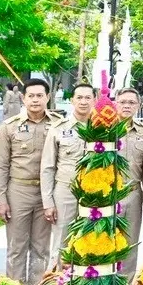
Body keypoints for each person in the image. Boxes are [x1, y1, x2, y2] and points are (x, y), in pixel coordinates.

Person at [0, 78, 61, 285]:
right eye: (30, 95)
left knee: (42, 246)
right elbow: (0, 166)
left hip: (46, 192)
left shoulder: (57, 125)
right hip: (18, 190)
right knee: (16, 246)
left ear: (47, 97)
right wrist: (1, 200)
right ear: (23, 98)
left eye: (39, 95)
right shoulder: (10, 126)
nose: (35, 100)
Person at [41, 82, 95, 265]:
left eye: (88, 97)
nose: (83, 102)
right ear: (72, 100)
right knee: (61, 243)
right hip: (66, 191)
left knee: (92, 241)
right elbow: (48, 167)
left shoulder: (103, 128)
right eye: (79, 97)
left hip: (95, 194)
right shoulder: (58, 128)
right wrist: (48, 202)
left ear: (94, 100)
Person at [114, 88, 143, 274]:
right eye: (123, 102)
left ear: (138, 105)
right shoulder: (103, 129)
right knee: (104, 241)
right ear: (115, 103)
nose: (127, 106)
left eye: (131, 103)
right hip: (108, 195)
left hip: (134, 193)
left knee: (129, 243)